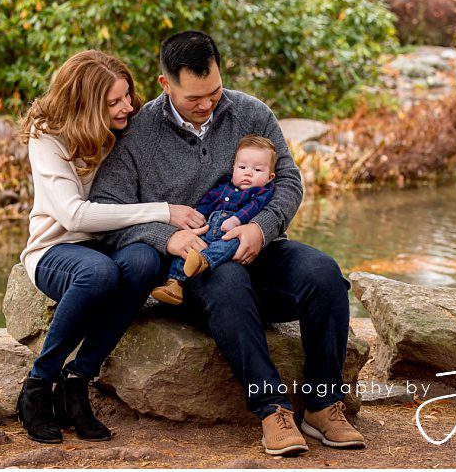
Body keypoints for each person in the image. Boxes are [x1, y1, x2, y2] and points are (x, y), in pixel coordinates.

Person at [89, 30, 365, 456]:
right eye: (193, 97)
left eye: (214, 91)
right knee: (228, 282)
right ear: (166, 85)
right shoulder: (137, 132)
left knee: (323, 273)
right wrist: (169, 237)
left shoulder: (252, 113)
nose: (207, 104)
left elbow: (289, 180)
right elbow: (108, 210)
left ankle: (323, 404)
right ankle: (272, 408)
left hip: (261, 248)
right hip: (193, 270)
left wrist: (263, 227)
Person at [15, 50, 206, 444]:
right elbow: (74, 216)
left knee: (143, 259)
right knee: (97, 273)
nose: (128, 107)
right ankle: (39, 383)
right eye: (114, 102)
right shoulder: (47, 135)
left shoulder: (125, 129)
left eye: (127, 96)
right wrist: (164, 212)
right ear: (85, 105)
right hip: (56, 250)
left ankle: (77, 382)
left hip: (111, 245)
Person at [150, 134, 277, 305]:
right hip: (209, 226)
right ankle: (174, 284)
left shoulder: (262, 192)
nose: (248, 173)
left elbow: (254, 207)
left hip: (234, 233)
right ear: (233, 168)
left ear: (270, 177)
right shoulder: (223, 186)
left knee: (229, 245)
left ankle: (204, 261)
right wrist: (198, 215)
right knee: (188, 245)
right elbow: (208, 201)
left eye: (257, 170)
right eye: (242, 167)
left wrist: (238, 220)